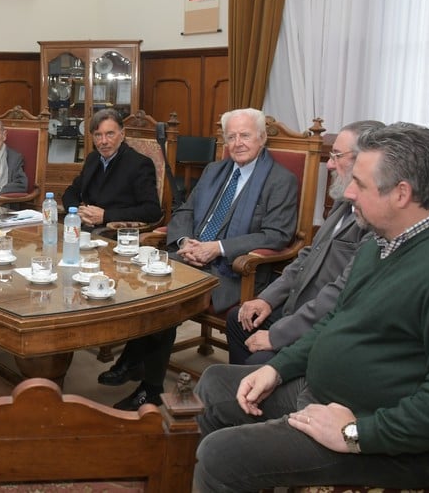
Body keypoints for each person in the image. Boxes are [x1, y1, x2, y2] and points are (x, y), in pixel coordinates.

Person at [194, 122, 429, 492]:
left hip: (383, 436)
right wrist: (277, 369)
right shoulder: (381, 241)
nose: (349, 192)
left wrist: (356, 433)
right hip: (320, 392)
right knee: (214, 384)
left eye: (360, 183)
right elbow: (338, 319)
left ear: (402, 193)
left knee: (221, 455)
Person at [98, 108, 298, 411]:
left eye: (245, 135)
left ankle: (149, 388)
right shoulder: (215, 170)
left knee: (166, 298)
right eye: (231, 137)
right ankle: (135, 360)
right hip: (191, 255)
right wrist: (184, 241)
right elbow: (186, 212)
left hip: (234, 271)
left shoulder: (280, 180)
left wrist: (217, 247)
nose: (238, 142)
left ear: (262, 137)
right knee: (140, 278)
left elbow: (277, 235)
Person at [226, 120, 383, 365]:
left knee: (258, 363)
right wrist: (266, 298)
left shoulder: (375, 220)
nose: (329, 163)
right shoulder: (343, 203)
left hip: (322, 324)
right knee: (238, 320)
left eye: (336, 156)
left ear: (364, 160)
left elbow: (339, 294)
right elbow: (308, 254)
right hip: (296, 306)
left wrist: (277, 335)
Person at [62, 108, 162, 228]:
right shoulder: (93, 158)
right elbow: (71, 192)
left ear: (122, 134)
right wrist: (78, 212)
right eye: (98, 135)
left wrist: (106, 215)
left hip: (115, 233)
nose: (103, 141)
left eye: (110, 134)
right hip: (86, 227)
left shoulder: (139, 164)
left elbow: (152, 211)